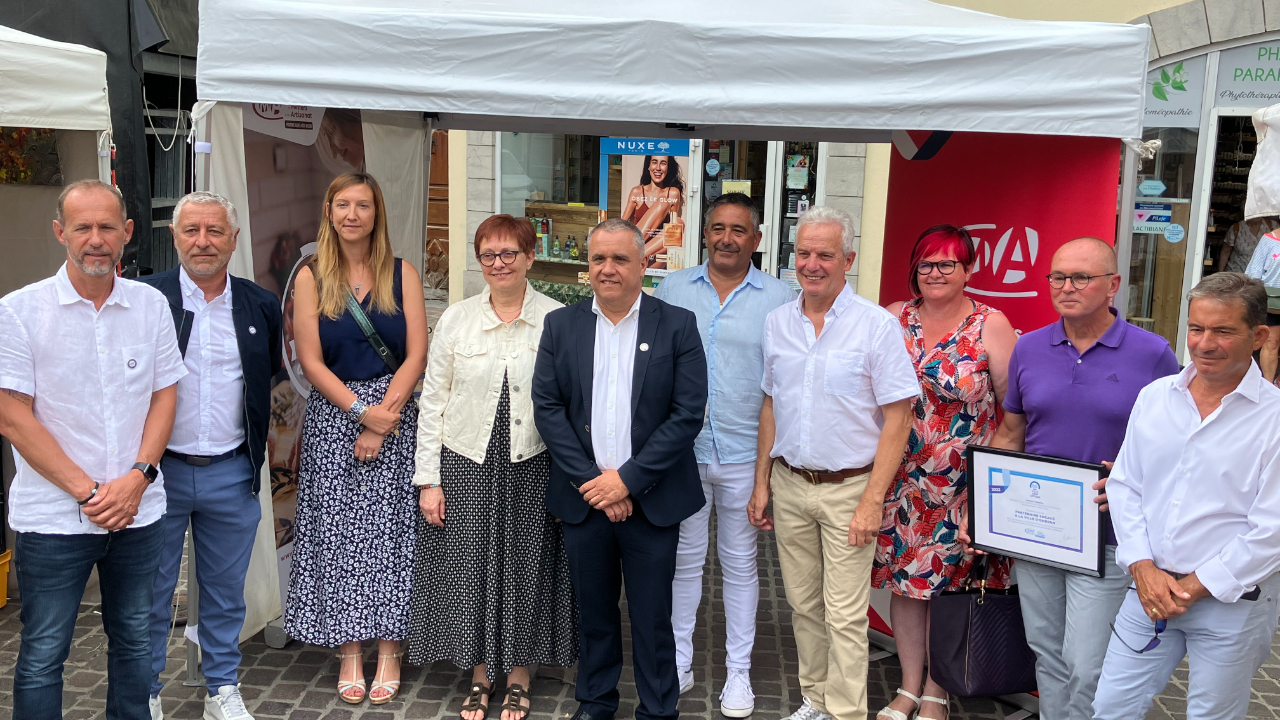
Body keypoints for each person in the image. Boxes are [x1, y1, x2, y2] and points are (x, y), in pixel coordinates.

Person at [959, 237, 1180, 720]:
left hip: (1107, 534)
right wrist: (981, 509)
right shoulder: (1030, 347)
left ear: (1113, 285)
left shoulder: (1152, 355)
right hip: (1035, 528)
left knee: (1087, 662)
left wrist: (1131, 474)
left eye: (1081, 277)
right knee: (1047, 650)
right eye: (1058, 277)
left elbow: (1181, 446)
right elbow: (1011, 433)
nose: (1066, 287)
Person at [0, 180, 186, 719]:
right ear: (61, 232)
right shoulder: (18, 311)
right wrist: (89, 491)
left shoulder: (150, 305)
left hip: (138, 512)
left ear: (128, 232)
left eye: (108, 226)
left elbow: (165, 395)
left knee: (133, 642)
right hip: (55, 519)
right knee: (43, 652)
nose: (96, 239)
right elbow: (12, 416)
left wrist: (138, 477)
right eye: (83, 227)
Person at [532, 218, 708, 720]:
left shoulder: (676, 325)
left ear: (644, 264)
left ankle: (657, 709)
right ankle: (595, 701)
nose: (607, 269)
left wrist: (627, 481)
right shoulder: (561, 326)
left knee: (654, 618)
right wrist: (595, 484)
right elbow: (548, 408)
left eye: (620, 259)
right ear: (586, 267)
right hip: (584, 499)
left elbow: (686, 414)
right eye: (598, 260)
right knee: (594, 614)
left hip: (652, 500)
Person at [747, 206, 919, 720]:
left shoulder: (876, 326)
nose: (812, 263)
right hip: (791, 482)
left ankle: (844, 712)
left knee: (845, 613)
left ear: (848, 259)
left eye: (825, 254)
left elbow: (899, 418)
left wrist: (872, 500)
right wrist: (762, 483)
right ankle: (815, 699)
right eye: (803, 253)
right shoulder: (778, 323)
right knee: (802, 606)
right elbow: (771, 404)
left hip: (850, 488)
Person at [407, 214, 576, 720]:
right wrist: (428, 480)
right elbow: (432, 401)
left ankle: (520, 674)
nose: (498, 264)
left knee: (528, 567)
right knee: (473, 568)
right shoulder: (457, 319)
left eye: (509, 254)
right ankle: (480, 674)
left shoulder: (559, 318)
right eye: (488, 255)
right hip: (468, 462)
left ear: (529, 258)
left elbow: (573, 404)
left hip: (535, 461)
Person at [1094, 272, 1280, 720]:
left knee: (1212, 715)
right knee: (1110, 708)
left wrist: (1193, 587)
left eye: (1223, 331)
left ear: (1258, 336)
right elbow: (1126, 485)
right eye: (1196, 328)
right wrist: (1142, 568)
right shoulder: (1156, 397)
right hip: (1148, 590)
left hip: (1232, 604)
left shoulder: (1273, 419)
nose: (1204, 343)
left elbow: (1272, 530)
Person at [285, 172, 429, 705]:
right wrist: (361, 413)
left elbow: (416, 352)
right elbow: (310, 359)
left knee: (394, 535)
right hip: (335, 417)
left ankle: (390, 648)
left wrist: (383, 415)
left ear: (377, 213)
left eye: (362, 205)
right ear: (328, 211)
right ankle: (349, 650)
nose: (352, 214)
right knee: (339, 537)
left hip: (396, 415)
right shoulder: (311, 277)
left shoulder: (402, 273)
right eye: (342, 204)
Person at [138, 192, 282, 720]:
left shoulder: (259, 304)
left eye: (215, 231)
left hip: (230, 470)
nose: (203, 241)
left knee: (226, 593)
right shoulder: (145, 298)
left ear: (234, 240)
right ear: (174, 237)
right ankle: (145, 689)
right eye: (192, 230)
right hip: (157, 473)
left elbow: (264, 378)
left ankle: (221, 688)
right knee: (150, 592)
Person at [652, 192, 793, 715]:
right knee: (684, 564)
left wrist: (768, 472)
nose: (727, 238)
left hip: (744, 455)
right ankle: (679, 660)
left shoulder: (780, 298)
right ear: (704, 233)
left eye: (738, 229)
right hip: (681, 454)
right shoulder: (672, 287)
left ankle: (738, 674)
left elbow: (783, 386)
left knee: (740, 566)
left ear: (756, 239)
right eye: (718, 228)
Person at [872, 225, 1017, 720]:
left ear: (968, 269)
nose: (935, 273)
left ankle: (939, 688)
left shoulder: (991, 325)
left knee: (951, 589)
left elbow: (1013, 413)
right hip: (901, 480)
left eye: (947, 264)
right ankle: (909, 685)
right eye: (926, 264)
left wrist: (990, 490)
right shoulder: (893, 317)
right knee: (907, 586)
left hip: (963, 486)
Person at [620, 155, 685, 264]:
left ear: (668, 168)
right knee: (662, 204)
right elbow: (622, 224)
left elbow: (672, 237)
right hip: (636, 245)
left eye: (663, 163)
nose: (658, 168)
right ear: (648, 166)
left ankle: (636, 257)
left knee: (678, 223)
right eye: (654, 162)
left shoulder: (673, 193)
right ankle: (635, 254)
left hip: (655, 254)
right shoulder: (637, 192)